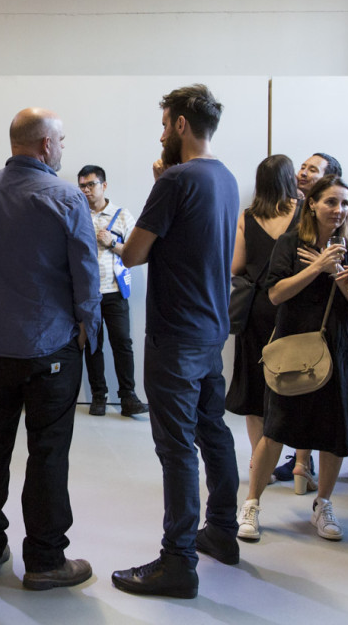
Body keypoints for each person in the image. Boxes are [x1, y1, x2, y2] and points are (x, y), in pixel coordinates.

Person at [0, 107, 99, 592]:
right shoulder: (67, 197)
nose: (63, 148)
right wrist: (89, 328)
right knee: (48, 453)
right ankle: (45, 559)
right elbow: (86, 273)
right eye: (61, 140)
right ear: (45, 144)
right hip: (50, 346)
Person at [111, 84, 240, 600]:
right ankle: (223, 531)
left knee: (176, 446)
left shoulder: (177, 180)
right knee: (213, 432)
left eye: (165, 124)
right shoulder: (224, 177)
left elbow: (133, 255)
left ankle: (178, 560)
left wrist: (160, 186)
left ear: (182, 125)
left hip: (175, 333)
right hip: (210, 328)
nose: (162, 133)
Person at [238, 176, 348, 545]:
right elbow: (276, 294)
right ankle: (251, 503)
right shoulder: (290, 243)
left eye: (344, 203)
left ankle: (323, 504)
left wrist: (336, 272)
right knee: (276, 427)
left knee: (335, 431)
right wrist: (315, 268)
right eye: (331, 202)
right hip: (294, 346)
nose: (339, 210)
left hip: (342, 348)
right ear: (311, 203)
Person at [226, 154, 299, 457]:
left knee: (254, 388)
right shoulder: (304, 213)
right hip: (293, 306)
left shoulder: (248, 217)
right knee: (296, 381)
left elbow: (236, 265)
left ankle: (260, 461)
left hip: (256, 309)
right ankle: (300, 461)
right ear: (290, 179)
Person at [76, 164, 145, 417]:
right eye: (82, 186)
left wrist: (112, 242)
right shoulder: (77, 214)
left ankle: (128, 397)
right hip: (88, 293)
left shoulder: (122, 215)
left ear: (104, 185)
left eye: (90, 184)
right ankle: (98, 396)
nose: (86, 190)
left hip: (115, 291)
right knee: (93, 345)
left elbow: (136, 253)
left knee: (122, 344)